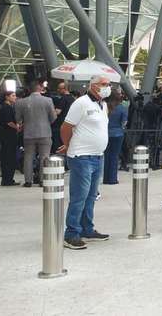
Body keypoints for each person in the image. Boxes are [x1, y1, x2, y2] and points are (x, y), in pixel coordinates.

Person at [59, 75, 112, 250]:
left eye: (109, 84)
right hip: (81, 156)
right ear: (94, 86)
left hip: (98, 155)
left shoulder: (102, 105)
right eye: (105, 84)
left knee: (91, 196)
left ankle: (86, 229)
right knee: (79, 197)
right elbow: (66, 127)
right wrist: (68, 145)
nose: (108, 87)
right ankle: (71, 233)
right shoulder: (81, 103)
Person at [15, 81, 56, 187]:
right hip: (45, 132)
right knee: (44, 157)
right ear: (40, 89)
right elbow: (53, 117)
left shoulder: (21, 102)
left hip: (28, 133)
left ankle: (28, 181)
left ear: (29, 90)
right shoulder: (48, 100)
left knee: (28, 156)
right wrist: (46, 123)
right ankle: (42, 180)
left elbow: (17, 119)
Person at [103, 90, 127, 185]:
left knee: (106, 155)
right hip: (118, 133)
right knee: (114, 156)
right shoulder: (122, 108)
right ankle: (112, 179)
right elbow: (124, 123)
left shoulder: (105, 107)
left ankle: (105, 178)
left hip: (106, 133)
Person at [0, 90, 20, 186]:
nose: (15, 97)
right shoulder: (6, 108)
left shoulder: (8, 107)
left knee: (8, 156)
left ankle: (8, 178)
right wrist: (17, 128)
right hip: (8, 135)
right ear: (7, 97)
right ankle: (7, 179)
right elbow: (9, 122)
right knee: (8, 157)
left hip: (7, 135)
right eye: (13, 95)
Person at [51, 81, 75, 153]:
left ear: (64, 89)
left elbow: (57, 112)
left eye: (59, 88)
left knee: (58, 146)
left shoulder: (62, 99)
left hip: (60, 126)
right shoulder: (73, 99)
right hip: (70, 126)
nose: (58, 90)